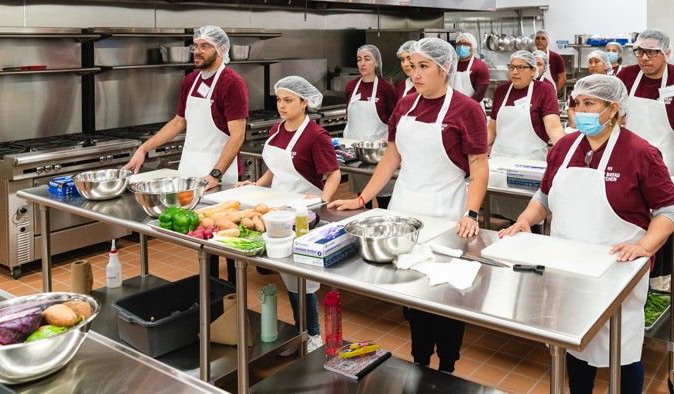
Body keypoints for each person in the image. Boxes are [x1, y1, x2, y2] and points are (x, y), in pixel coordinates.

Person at [498, 75, 674, 394]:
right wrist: (525, 220)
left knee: (623, 349)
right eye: (575, 103)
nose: (579, 110)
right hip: (568, 266)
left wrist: (644, 246)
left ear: (613, 109)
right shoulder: (565, 147)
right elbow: (544, 196)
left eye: (589, 104)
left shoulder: (640, 152)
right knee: (575, 345)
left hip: (618, 268)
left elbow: (669, 211)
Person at [328, 37, 489, 373]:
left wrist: (471, 213)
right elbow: (391, 157)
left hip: (447, 212)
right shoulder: (404, 106)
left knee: (444, 295)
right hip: (405, 208)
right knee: (414, 294)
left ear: (444, 69)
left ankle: (446, 364)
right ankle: (419, 360)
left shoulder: (467, 109)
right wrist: (361, 198)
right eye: (412, 66)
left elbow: (478, 164)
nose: (414, 73)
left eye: (423, 66)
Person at [123, 25, 247, 284]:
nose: (197, 51)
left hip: (218, 173)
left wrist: (215, 174)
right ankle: (211, 290)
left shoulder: (232, 83)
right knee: (201, 236)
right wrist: (143, 148)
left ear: (221, 50)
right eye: (195, 45)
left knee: (227, 238)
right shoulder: (190, 81)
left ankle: (232, 295)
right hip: (190, 171)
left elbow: (237, 135)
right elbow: (179, 122)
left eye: (205, 46)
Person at [234, 76, 340, 354]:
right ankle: (301, 332)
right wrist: (256, 184)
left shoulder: (316, 135)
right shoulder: (276, 129)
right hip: (277, 212)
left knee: (301, 281)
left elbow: (334, 174)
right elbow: (276, 169)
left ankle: (313, 336)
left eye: (288, 100)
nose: (281, 105)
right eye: (279, 99)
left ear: (304, 103)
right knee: (288, 276)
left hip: (304, 216)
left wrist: (322, 200)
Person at [615, 28, 674, 291]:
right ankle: (627, 288)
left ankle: (660, 289)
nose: (644, 58)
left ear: (666, 53)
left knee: (664, 228)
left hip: (669, 168)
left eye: (651, 52)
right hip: (628, 167)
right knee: (630, 225)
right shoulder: (626, 76)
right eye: (640, 52)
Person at [487, 50, 563, 224]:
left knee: (532, 212)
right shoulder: (501, 91)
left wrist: (566, 154)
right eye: (512, 67)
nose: (514, 72)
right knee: (501, 208)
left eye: (521, 67)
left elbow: (553, 127)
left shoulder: (544, 90)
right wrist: (477, 151)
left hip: (530, 163)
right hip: (500, 162)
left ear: (532, 70)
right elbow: (492, 128)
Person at [343, 44, 399, 209]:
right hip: (357, 152)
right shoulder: (351, 87)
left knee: (383, 196)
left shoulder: (386, 88)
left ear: (376, 63)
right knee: (361, 197)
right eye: (359, 59)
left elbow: (395, 119)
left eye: (367, 59)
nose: (362, 63)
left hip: (379, 152)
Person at [567, 50, 612, 128]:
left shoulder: (613, 85)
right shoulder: (582, 84)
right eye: (590, 62)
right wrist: (576, 124)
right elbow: (571, 108)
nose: (593, 65)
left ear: (606, 65)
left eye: (596, 61)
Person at [450, 32, 490, 104]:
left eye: (465, 44)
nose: (461, 47)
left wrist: (464, 107)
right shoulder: (451, 65)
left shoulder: (480, 66)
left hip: (472, 108)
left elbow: (479, 95)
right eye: (459, 44)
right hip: (452, 106)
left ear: (473, 47)